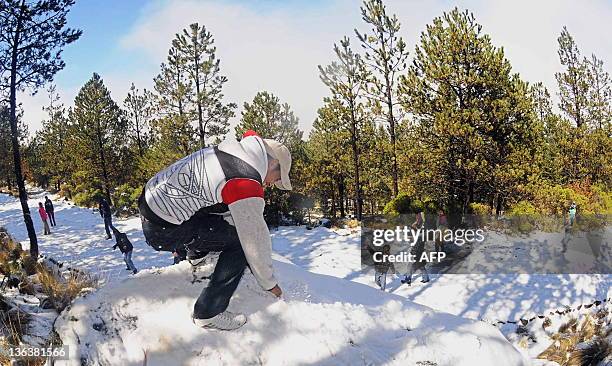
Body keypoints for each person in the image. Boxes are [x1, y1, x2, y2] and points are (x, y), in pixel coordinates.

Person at [138, 130, 292, 331]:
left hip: (150, 203)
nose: (271, 183)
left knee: (220, 206)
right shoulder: (245, 180)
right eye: (277, 177)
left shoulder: (230, 151)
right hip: (163, 229)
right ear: (273, 163)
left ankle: (197, 253)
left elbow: (222, 203)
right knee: (240, 245)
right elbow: (253, 239)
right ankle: (208, 313)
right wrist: (269, 283)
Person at [401, 208, 430, 285]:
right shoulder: (416, 224)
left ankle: (410, 278)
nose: (417, 217)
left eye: (418, 216)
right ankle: (410, 278)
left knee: (417, 265)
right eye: (416, 216)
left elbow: (419, 235)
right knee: (415, 265)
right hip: (416, 247)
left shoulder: (423, 226)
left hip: (418, 248)